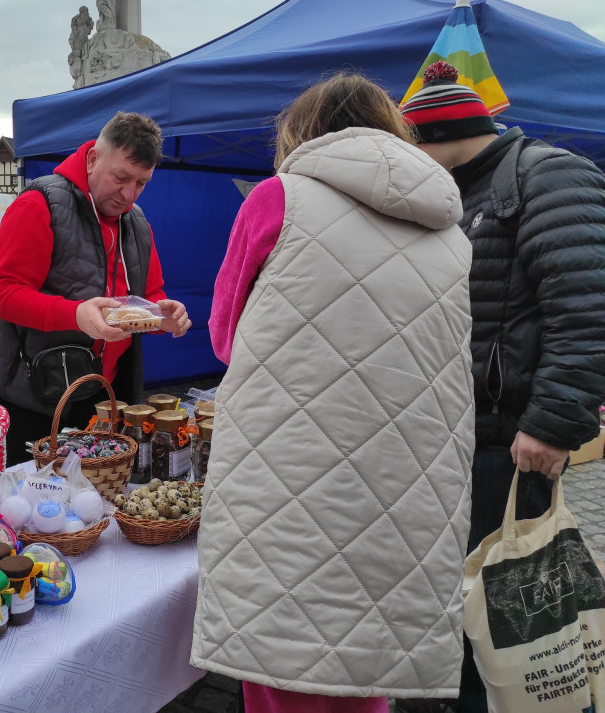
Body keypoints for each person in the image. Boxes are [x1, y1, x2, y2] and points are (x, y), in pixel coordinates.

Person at [191, 73, 476, 712]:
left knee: (282, 660)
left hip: (289, 476)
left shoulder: (277, 198)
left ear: (299, 134)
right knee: (366, 663)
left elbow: (224, 338)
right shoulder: (451, 233)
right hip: (408, 483)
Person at [400, 61, 605, 712]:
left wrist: (551, 424)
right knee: (459, 611)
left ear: (431, 138)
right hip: (452, 443)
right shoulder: (460, 192)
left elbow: (589, 307)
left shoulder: (549, 175)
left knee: (509, 615)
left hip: (509, 447)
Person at [0, 112, 191, 466]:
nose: (128, 194)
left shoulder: (137, 223)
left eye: (141, 183)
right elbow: (1, 293)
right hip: (36, 395)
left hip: (106, 395)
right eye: (121, 178)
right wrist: (75, 314)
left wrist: (162, 314)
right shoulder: (38, 204)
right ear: (92, 159)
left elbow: (151, 293)